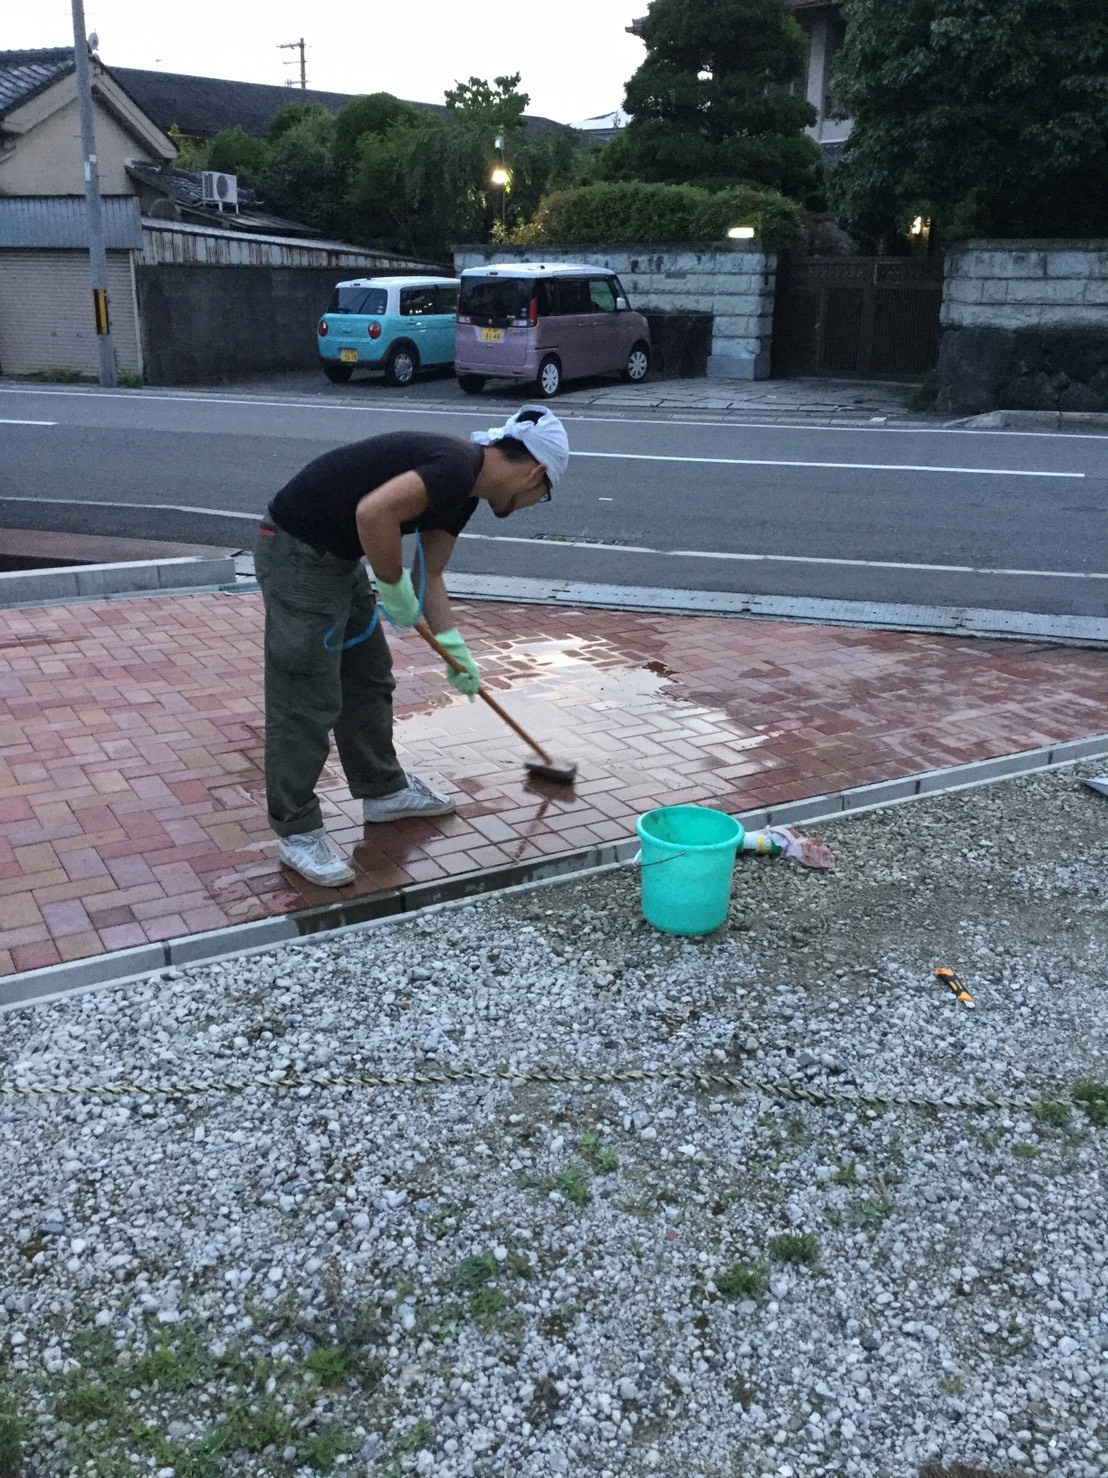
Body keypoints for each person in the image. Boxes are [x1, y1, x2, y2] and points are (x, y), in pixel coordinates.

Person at [254, 406, 570, 887]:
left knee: (369, 678)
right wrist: (392, 583)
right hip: (298, 550)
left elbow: (433, 573)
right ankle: (297, 831)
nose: (532, 503)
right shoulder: (454, 466)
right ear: (536, 473)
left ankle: (383, 791)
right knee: (307, 697)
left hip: (337, 558)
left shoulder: (465, 491)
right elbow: (373, 512)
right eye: (543, 497)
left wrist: (455, 650)